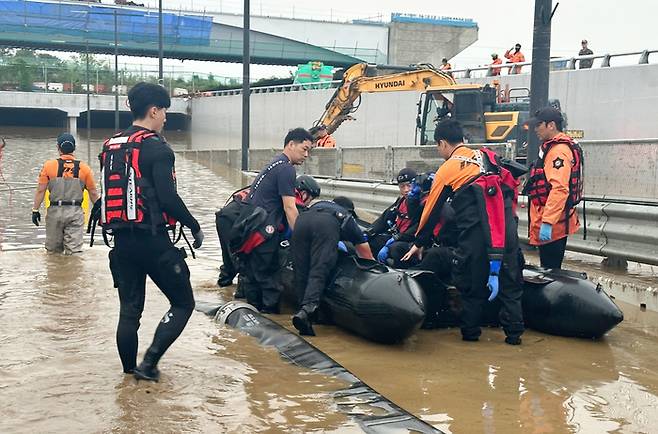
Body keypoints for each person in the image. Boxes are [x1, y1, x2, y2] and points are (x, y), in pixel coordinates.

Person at [99, 82, 204, 382]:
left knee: (129, 312)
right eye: (165, 112)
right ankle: (149, 364)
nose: (166, 119)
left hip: (121, 243)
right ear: (154, 110)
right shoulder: (157, 147)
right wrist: (194, 225)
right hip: (153, 241)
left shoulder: (110, 146)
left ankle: (128, 374)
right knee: (184, 302)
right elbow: (168, 198)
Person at [402, 119, 524, 345]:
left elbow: (432, 210)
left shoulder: (448, 168)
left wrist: (419, 242)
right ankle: (514, 336)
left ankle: (471, 335)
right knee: (511, 283)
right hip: (505, 227)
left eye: (438, 147)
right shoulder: (488, 156)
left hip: (476, 232)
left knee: (471, 283)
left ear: (443, 143)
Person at [231, 128, 313, 313]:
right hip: (264, 231)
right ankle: (271, 319)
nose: (306, 155)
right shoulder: (286, 169)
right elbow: (290, 207)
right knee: (269, 279)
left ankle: (251, 320)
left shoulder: (274, 163)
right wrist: (301, 239)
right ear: (291, 144)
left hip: (250, 228)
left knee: (253, 276)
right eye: (304, 149)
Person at [215, 175, 321, 290]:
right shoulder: (292, 200)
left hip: (225, 217)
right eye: (310, 199)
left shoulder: (275, 188)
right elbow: (297, 226)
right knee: (243, 262)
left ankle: (222, 290)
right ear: (303, 193)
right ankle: (240, 298)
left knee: (231, 260)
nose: (309, 203)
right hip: (236, 221)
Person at [291, 196, 374, 336]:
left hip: (301, 220)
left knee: (301, 270)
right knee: (319, 268)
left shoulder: (319, 205)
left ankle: (303, 314)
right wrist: (375, 269)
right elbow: (365, 252)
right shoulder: (346, 217)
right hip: (325, 225)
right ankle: (308, 310)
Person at [524, 107, 583, 270]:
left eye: (538, 125)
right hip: (552, 220)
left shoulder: (558, 151)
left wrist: (548, 222)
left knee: (551, 271)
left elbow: (559, 189)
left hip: (554, 224)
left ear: (551, 125)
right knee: (549, 268)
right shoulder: (550, 147)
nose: (535, 129)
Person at [31, 133, 99, 254]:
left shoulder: (48, 166)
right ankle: (72, 271)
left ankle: (56, 272)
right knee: (74, 252)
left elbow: (40, 190)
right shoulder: (85, 168)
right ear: (74, 148)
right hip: (75, 212)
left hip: (54, 212)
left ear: (58, 148)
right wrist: (99, 211)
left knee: (52, 252)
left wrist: (35, 210)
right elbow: (93, 193)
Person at [367, 167, 417, 254]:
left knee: (395, 248)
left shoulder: (422, 203)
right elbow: (383, 220)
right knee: (373, 242)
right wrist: (367, 233)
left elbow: (418, 228)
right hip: (397, 237)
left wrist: (397, 238)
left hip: (412, 241)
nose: (406, 190)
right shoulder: (400, 202)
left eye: (409, 185)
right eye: (402, 186)